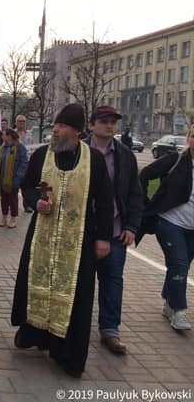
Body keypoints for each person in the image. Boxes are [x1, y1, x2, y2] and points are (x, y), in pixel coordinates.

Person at [11, 103, 114, 378]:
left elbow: (104, 201)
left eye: (63, 126)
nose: (56, 129)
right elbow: (27, 186)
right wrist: (35, 202)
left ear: (77, 132)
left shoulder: (93, 159)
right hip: (42, 237)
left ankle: (64, 351)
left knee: (75, 296)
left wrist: (104, 238)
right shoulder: (42, 155)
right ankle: (34, 333)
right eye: (55, 125)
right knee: (37, 282)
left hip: (79, 240)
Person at [86, 106, 143, 353]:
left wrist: (132, 226)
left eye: (113, 122)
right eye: (103, 121)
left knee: (112, 282)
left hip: (116, 231)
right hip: (84, 230)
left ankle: (110, 330)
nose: (109, 126)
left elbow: (135, 193)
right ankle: (70, 327)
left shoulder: (124, 155)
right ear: (91, 125)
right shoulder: (80, 151)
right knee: (80, 283)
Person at [138, 125, 194, 331]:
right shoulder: (176, 160)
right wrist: (146, 203)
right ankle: (179, 311)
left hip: (192, 229)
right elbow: (144, 174)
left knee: (181, 265)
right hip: (170, 223)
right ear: (188, 138)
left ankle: (169, 303)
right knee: (179, 264)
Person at [0, 128, 28, 228]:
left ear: (9, 136)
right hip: (2, 178)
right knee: (4, 199)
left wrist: (18, 178)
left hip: (14, 178)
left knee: (13, 199)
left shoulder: (20, 147)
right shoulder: (3, 148)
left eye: (3, 135)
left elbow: (24, 164)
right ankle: (4, 217)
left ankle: (13, 218)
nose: (2, 137)